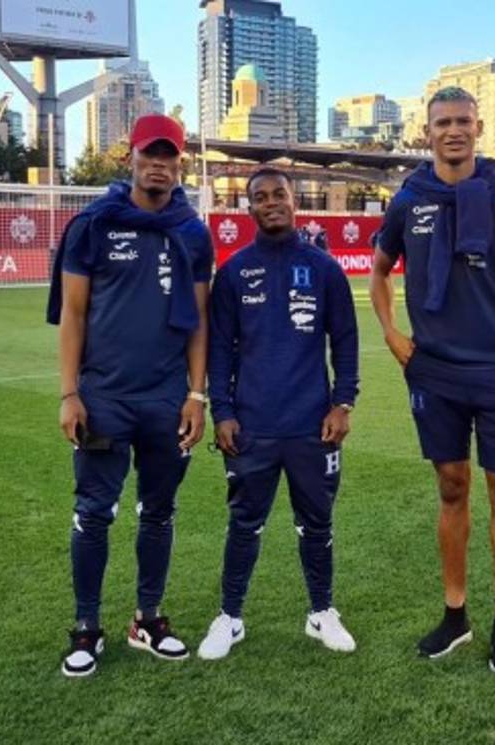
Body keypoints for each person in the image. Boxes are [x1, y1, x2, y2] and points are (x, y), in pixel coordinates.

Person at [369, 87, 495, 673]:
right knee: (450, 487)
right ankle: (455, 614)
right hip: (435, 370)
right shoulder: (408, 200)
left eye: (463, 121)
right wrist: (393, 333)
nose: (453, 131)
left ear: (479, 126)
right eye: (442, 122)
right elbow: (379, 271)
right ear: (426, 131)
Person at [46, 113, 213, 677]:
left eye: (169, 156)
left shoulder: (192, 231)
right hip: (104, 398)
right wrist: (69, 393)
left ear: (179, 162)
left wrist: (197, 395)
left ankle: (148, 618)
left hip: (166, 399)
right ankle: (86, 627)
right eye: (150, 154)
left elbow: (199, 322)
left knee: (158, 513)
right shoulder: (93, 224)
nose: (159, 165)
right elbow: (72, 314)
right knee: (94, 514)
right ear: (131, 158)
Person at [198, 167, 360, 660]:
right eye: (260, 197)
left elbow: (345, 341)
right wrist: (221, 411)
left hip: (313, 425)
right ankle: (230, 617)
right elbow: (219, 350)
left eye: (280, 195)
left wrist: (343, 401)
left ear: (294, 203)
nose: (271, 202)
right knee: (244, 523)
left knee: (317, 523)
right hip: (252, 426)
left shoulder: (324, 268)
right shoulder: (232, 273)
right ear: (249, 209)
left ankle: (321, 612)